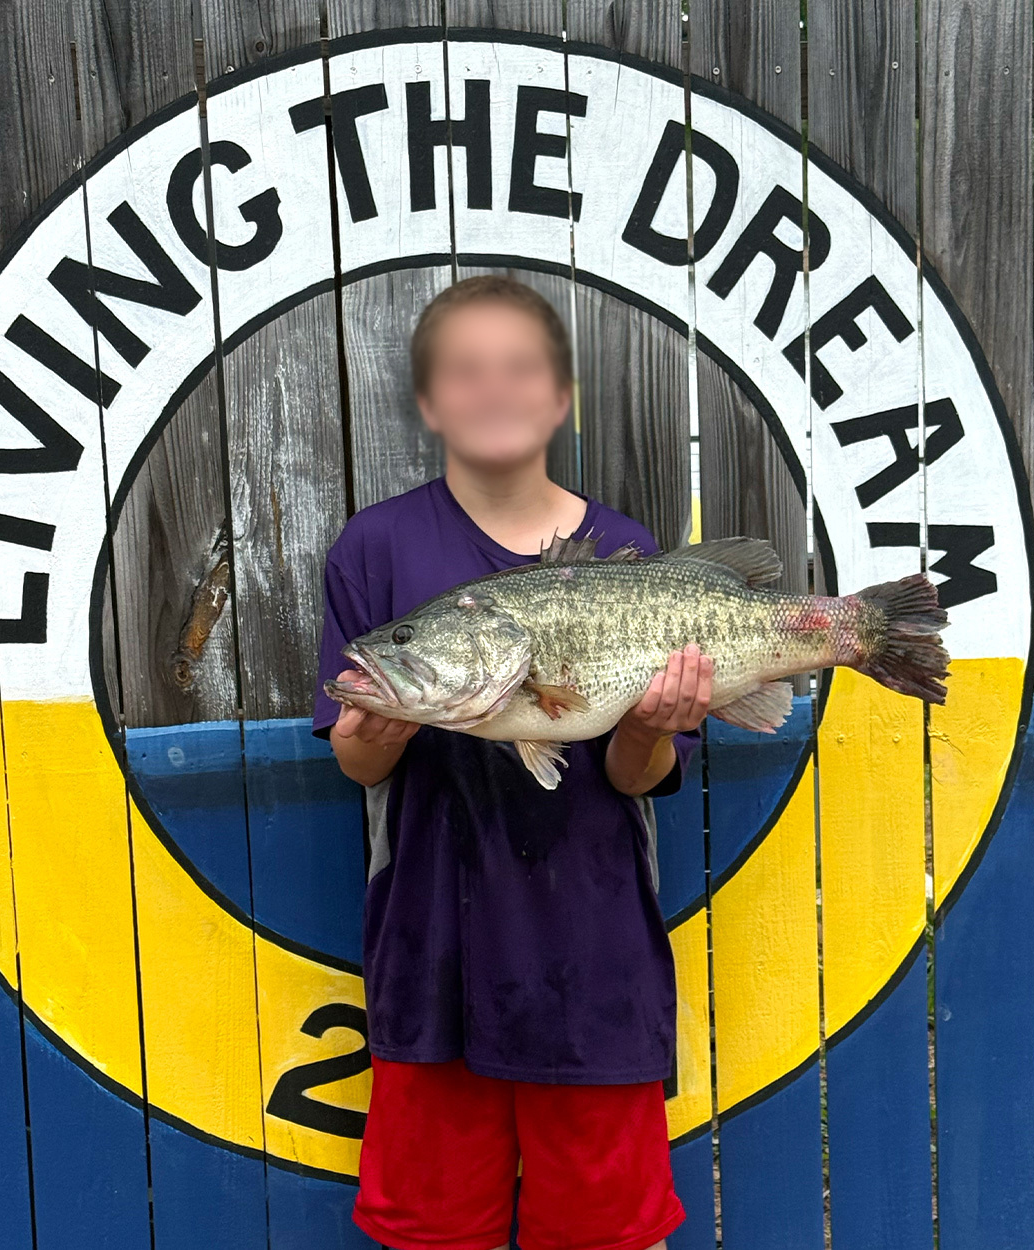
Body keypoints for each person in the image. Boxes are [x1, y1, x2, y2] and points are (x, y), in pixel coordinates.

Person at [312, 275, 713, 1250]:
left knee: (605, 1229)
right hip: (428, 960)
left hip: (591, 958)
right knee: (431, 1227)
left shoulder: (622, 550)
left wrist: (651, 720)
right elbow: (358, 767)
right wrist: (387, 719)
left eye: (520, 368)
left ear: (560, 395)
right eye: (463, 370)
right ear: (426, 400)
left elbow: (633, 774)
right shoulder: (376, 546)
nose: (492, 389)